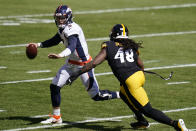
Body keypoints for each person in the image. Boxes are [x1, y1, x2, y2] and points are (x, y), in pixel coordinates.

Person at [66, 24, 189, 131]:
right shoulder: (131, 45)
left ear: (114, 34)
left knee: (147, 109)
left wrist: (76, 74)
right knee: (123, 94)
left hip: (131, 80)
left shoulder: (108, 46)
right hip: (138, 76)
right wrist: (138, 78)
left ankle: (175, 124)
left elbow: (94, 63)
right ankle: (141, 121)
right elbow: (141, 64)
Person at [28, 5, 120, 124]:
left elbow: (72, 46)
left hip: (84, 65)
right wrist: (38, 45)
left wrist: (60, 55)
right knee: (54, 86)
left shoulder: (72, 28)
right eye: (58, 18)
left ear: (69, 17)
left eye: (62, 18)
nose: (59, 20)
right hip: (71, 63)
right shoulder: (63, 28)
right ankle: (56, 117)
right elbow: (55, 40)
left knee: (96, 96)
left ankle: (121, 94)